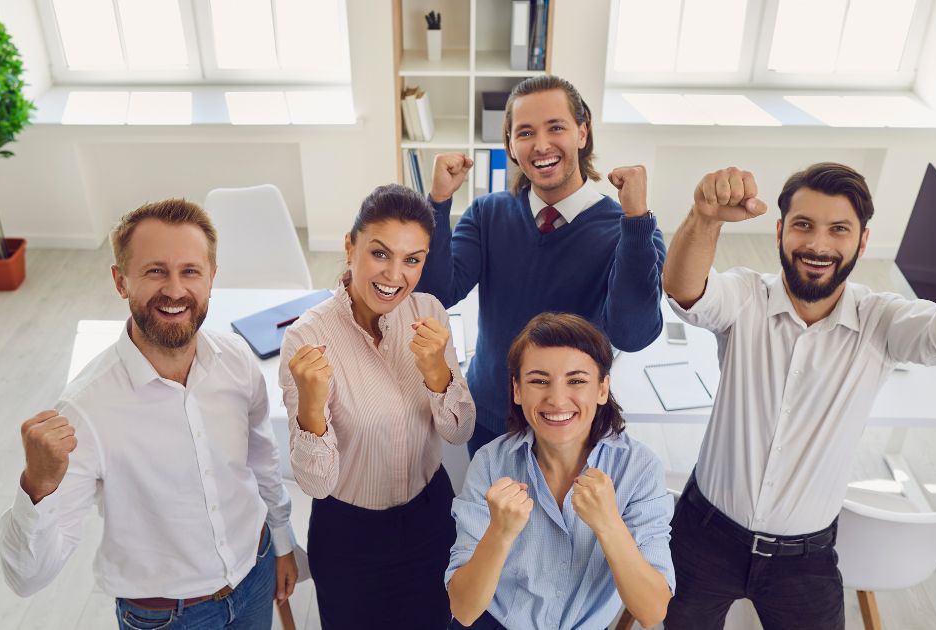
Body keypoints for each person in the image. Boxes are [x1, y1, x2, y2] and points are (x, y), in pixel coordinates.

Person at [660, 163, 936, 629]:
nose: (818, 245)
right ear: (780, 231)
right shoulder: (745, 296)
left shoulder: (881, 320)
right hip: (704, 536)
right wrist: (705, 218)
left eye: (838, 229)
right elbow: (685, 290)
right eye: (803, 225)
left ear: (862, 241)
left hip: (803, 558)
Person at [0, 199, 298, 629]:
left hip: (256, 573)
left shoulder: (236, 361)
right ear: (121, 281)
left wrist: (283, 540)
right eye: (155, 271)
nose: (175, 290)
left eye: (190, 271)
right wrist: (38, 485)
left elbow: (261, 462)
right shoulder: (85, 410)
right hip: (168, 618)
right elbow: (26, 578)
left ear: (212, 277)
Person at [417, 75, 666, 456]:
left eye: (556, 128)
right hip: (491, 416)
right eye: (526, 133)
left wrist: (634, 222)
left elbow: (632, 334)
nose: (542, 145)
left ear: (583, 133)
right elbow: (436, 294)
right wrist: (437, 202)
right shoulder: (487, 213)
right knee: (490, 515)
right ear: (512, 147)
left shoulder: (630, 230)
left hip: (571, 422)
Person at [281, 184, 475, 629]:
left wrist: (437, 374)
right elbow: (315, 481)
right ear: (350, 247)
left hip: (430, 519)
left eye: (413, 259)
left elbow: (459, 432)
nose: (395, 275)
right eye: (380, 253)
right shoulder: (306, 338)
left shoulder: (430, 313)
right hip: (350, 534)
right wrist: (311, 408)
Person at [446, 313, 674, 630]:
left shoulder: (639, 469)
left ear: (602, 389)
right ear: (517, 390)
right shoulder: (491, 463)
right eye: (539, 381)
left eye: (577, 381)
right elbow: (464, 609)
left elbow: (652, 612)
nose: (556, 399)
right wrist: (499, 533)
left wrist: (609, 524)